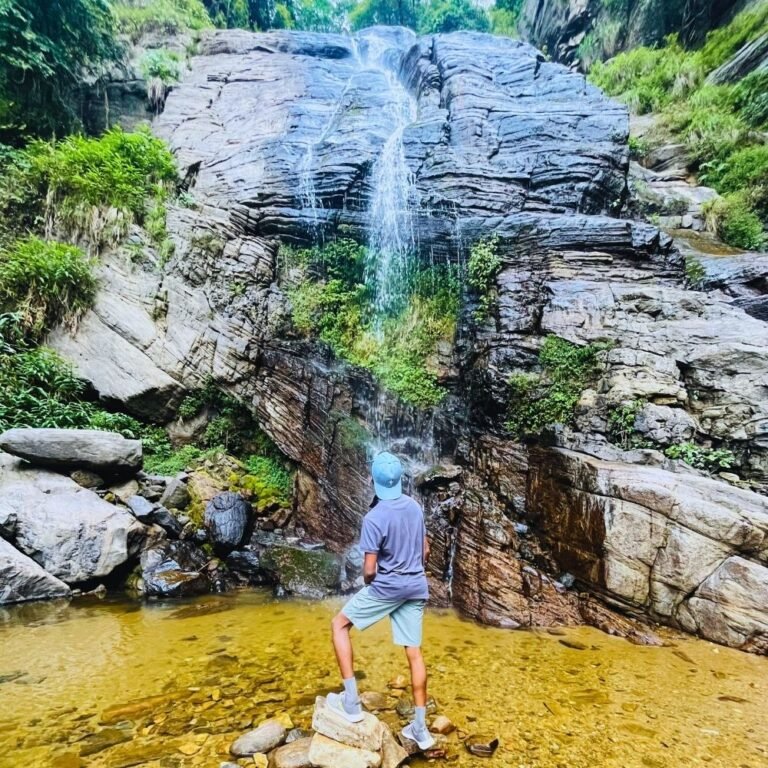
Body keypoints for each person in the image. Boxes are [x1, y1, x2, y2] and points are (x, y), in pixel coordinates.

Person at [327, 451, 436, 751]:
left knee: (339, 625)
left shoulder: (374, 517)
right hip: (416, 587)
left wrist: (370, 586)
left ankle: (350, 702)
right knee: (414, 654)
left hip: (387, 587)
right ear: (399, 481)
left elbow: (370, 570)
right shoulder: (415, 507)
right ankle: (421, 729)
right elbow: (425, 551)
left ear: (374, 482)